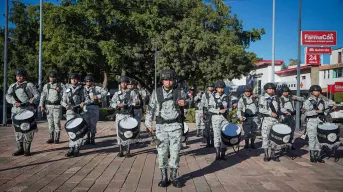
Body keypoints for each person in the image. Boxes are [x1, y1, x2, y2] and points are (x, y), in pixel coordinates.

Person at [145, 69, 188, 188]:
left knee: (175, 152)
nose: (168, 82)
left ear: (174, 80)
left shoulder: (179, 92)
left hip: (175, 126)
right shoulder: (156, 92)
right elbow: (151, 109)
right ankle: (164, 177)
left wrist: (185, 103)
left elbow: (189, 102)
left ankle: (174, 176)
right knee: (162, 152)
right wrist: (148, 124)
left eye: (170, 80)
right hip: (161, 127)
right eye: (166, 80)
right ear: (162, 81)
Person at [6, 69, 40, 156]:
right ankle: (20, 148)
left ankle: (27, 149)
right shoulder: (12, 86)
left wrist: (32, 100)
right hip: (16, 111)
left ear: (24, 76)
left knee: (28, 129)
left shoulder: (29, 85)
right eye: (17, 76)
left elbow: (37, 94)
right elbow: (8, 96)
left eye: (20, 76)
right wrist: (14, 102)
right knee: (17, 130)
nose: (19, 77)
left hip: (27, 110)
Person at [110, 76, 140, 157]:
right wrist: (116, 105)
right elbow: (112, 102)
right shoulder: (117, 93)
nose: (124, 84)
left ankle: (128, 151)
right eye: (122, 82)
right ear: (120, 84)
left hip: (128, 115)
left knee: (129, 132)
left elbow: (137, 101)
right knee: (119, 132)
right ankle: (120, 150)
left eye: (125, 82)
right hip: (119, 115)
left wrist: (127, 105)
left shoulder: (132, 92)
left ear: (127, 84)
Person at [61, 73, 87, 157]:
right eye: (72, 79)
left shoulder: (83, 89)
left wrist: (83, 103)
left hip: (79, 112)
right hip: (70, 112)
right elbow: (62, 101)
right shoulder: (66, 89)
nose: (73, 80)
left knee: (78, 130)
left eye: (75, 79)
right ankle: (71, 148)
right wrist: (66, 106)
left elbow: (88, 99)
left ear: (78, 80)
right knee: (71, 131)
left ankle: (77, 148)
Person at [303, 85, 328, 163]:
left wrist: (327, 111)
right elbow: (306, 113)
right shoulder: (308, 101)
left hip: (320, 122)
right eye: (316, 91)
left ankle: (318, 155)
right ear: (312, 92)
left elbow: (325, 109)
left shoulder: (322, 101)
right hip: (311, 122)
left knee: (320, 139)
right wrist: (315, 112)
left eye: (319, 91)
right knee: (312, 139)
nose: (318, 92)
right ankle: (312, 156)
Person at [39, 71, 63, 144]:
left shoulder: (60, 85)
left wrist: (60, 91)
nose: (52, 78)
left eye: (53, 77)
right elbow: (43, 96)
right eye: (50, 77)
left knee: (56, 122)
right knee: (50, 122)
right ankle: (51, 137)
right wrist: (41, 105)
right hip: (48, 106)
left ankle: (57, 138)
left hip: (57, 106)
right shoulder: (46, 86)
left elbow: (65, 94)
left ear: (56, 77)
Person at [208, 80, 230, 160]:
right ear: (216, 88)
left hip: (225, 118)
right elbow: (209, 108)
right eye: (219, 88)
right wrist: (218, 111)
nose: (221, 89)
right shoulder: (212, 97)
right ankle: (217, 153)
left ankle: (223, 153)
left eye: (222, 88)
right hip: (216, 118)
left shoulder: (227, 96)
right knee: (217, 136)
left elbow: (229, 107)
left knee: (225, 135)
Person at [83, 74, 108, 145]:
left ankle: (92, 138)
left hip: (94, 108)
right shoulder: (83, 89)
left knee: (93, 124)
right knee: (86, 124)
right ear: (85, 82)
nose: (88, 82)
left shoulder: (96, 88)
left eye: (90, 81)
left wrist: (98, 96)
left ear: (92, 82)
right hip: (86, 108)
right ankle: (87, 138)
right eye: (87, 81)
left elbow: (105, 91)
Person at [278, 86, 304, 150]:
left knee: (292, 131)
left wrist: (296, 98)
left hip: (292, 116)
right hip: (284, 117)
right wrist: (287, 111)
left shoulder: (291, 97)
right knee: (284, 131)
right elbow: (280, 107)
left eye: (287, 92)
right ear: (282, 92)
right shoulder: (280, 99)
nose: (286, 93)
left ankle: (290, 144)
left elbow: (302, 99)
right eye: (284, 92)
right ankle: (283, 145)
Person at [259, 83, 280, 162]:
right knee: (266, 137)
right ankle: (266, 154)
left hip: (275, 120)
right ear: (266, 90)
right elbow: (260, 109)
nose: (272, 90)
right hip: (267, 120)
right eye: (270, 89)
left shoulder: (276, 98)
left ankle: (273, 154)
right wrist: (270, 113)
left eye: (273, 89)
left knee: (274, 138)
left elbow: (278, 108)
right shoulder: (263, 98)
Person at [201, 82, 215, 147]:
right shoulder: (204, 95)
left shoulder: (215, 94)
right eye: (210, 87)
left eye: (212, 87)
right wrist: (202, 113)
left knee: (213, 128)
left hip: (213, 112)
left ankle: (212, 142)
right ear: (207, 88)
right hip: (206, 112)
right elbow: (202, 104)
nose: (211, 88)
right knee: (207, 128)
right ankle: (208, 142)